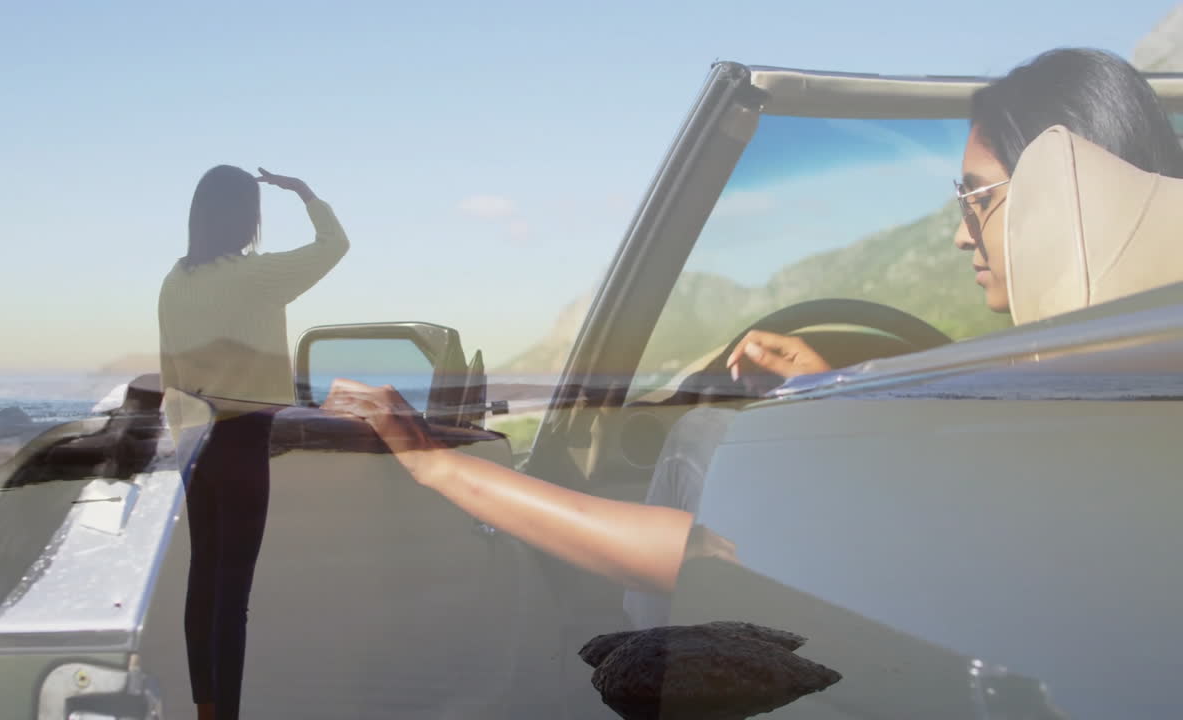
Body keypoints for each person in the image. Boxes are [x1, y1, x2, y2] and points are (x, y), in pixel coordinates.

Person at [322, 47, 1183, 628]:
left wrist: (439, 463)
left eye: (978, 199)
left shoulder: (1042, 424)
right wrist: (830, 389)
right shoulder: (1121, 377)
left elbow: (704, 558)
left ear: (1061, 197)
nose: (963, 235)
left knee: (702, 437)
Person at [159, 165, 349, 720]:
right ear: (247, 218)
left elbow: (169, 371)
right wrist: (306, 193)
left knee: (204, 580)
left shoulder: (175, 280)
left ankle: (207, 709)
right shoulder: (256, 277)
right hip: (242, 441)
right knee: (232, 595)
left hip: (194, 441)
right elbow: (334, 244)